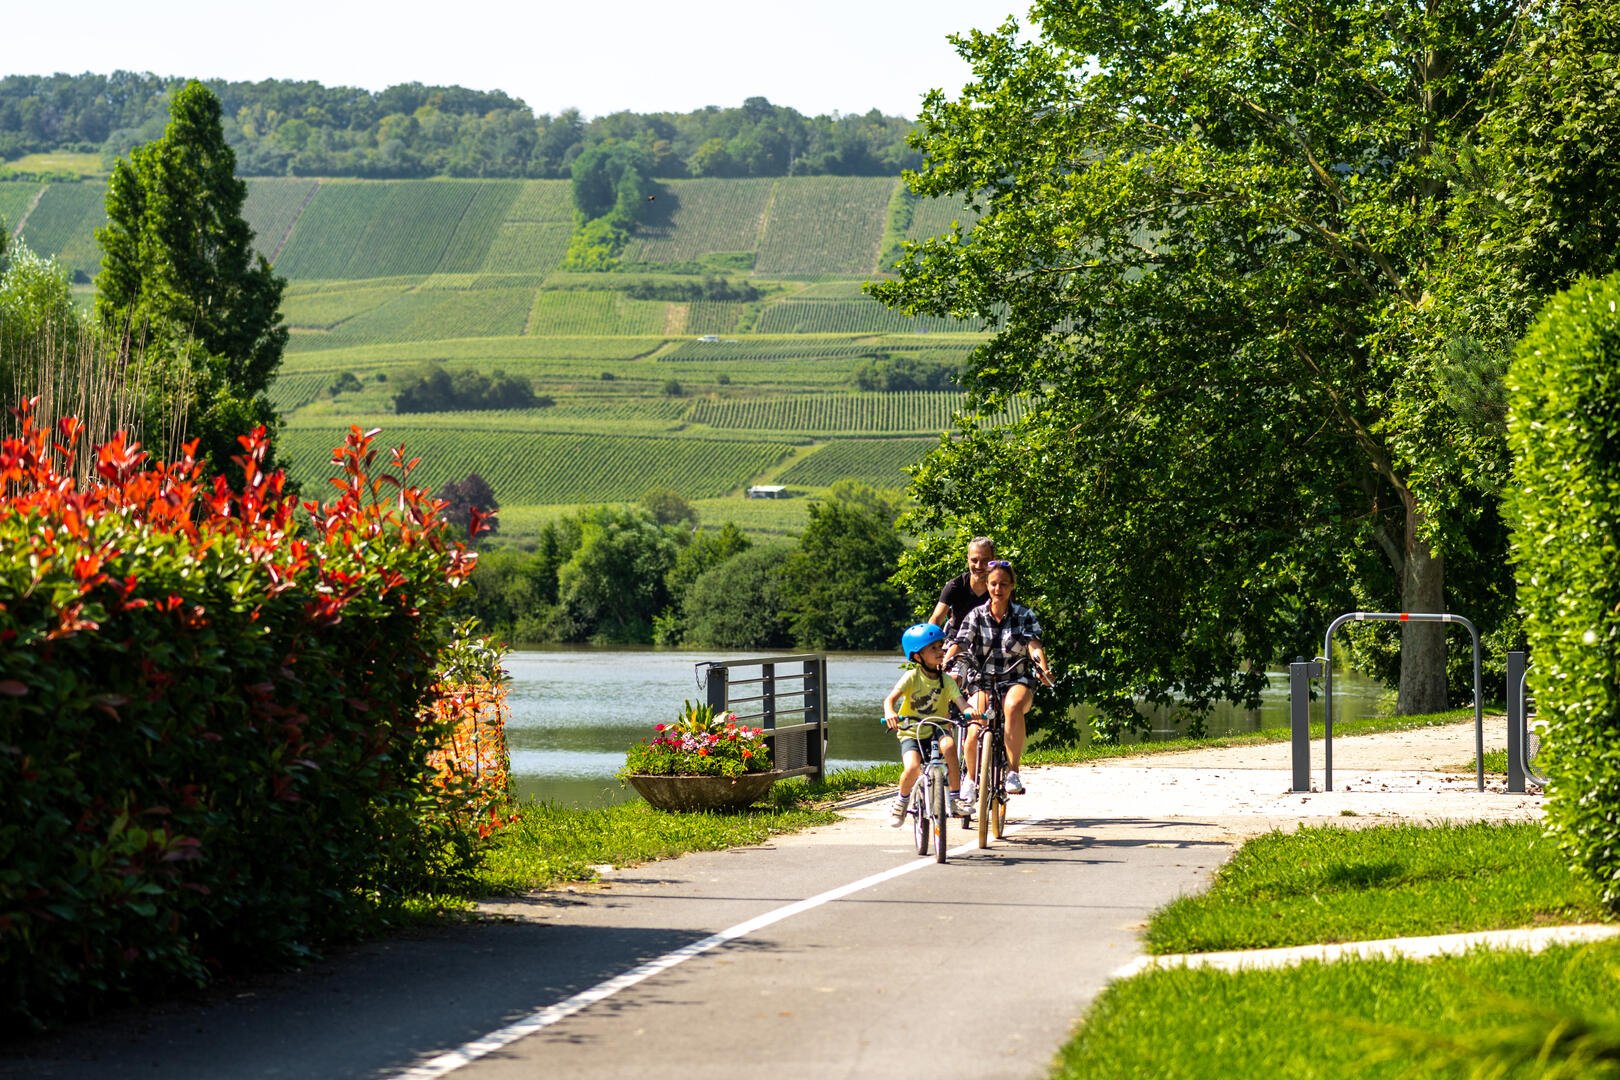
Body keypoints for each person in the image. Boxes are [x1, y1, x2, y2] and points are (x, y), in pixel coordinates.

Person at [954, 560, 1053, 801]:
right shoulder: (975, 615)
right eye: (994, 584)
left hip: (1016, 678)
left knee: (1012, 706)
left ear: (1012, 586)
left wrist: (1042, 666)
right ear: (987, 585)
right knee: (975, 725)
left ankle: (1013, 772)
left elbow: (1034, 645)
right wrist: (951, 669)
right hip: (982, 680)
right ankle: (970, 779)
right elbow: (962, 644)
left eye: (1004, 584)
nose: (998, 589)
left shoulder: (1024, 615)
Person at [883, 623, 977, 827]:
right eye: (933, 648)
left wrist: (970, 711)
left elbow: (961, 703)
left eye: (941, 646)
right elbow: (889, 700)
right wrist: (890, 712)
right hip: (911, 731)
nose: (940, 651)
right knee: (913, 767)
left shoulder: (946, 680)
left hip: (938, 728)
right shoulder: (912, 677)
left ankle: (953, 798)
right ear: (917, 656)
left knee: (950, 747)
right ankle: (901, 801)